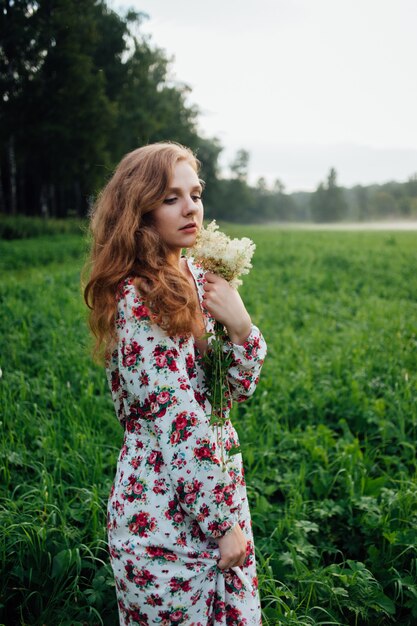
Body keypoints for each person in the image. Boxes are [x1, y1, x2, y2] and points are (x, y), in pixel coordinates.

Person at [84, 142, 267, 625]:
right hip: (163, 515)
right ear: (139, 212)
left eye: (195, 193)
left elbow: (230, 395)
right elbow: (177, 418)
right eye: (170, 198)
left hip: (214, 485)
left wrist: (241, 328)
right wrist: (222, 523)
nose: (191, 208)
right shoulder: (140, 297)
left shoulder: (194, 276)